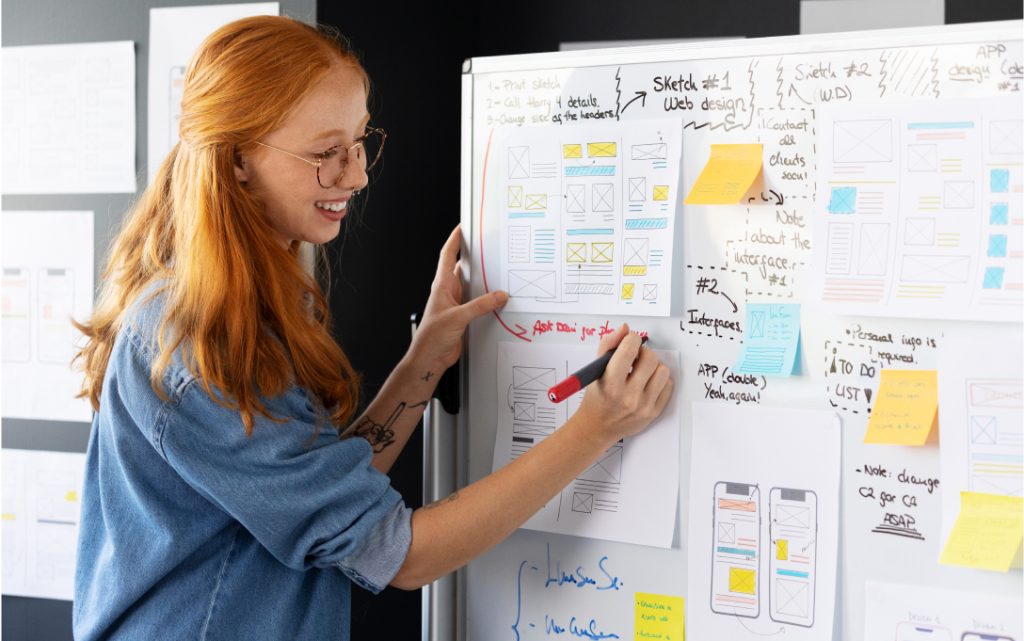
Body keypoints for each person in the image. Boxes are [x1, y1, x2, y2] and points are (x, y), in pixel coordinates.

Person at [71, 15, 673, 641]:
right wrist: (595, 429)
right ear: (239, 160)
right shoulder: (200, 340)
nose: (355, 175)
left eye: (359, 142)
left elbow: (330, 498)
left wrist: (425, 360)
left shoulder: (248, 303)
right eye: (325, 152)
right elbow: (402, 555)